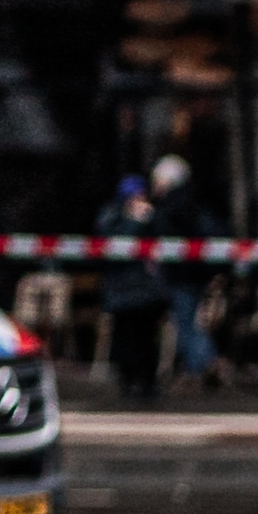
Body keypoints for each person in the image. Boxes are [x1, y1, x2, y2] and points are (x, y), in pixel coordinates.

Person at [146, 155, 221, 389]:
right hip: (196, 272)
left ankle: (203, 363)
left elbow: (163, 238)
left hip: (181, 274)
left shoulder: (170, 206)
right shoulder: (195, 201)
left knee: (186, 321)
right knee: (190, 320)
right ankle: (201, 364)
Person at [96, 175, 169, 401]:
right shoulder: (112, 215)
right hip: (123, 292)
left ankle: (148, 383)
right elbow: (113, 246)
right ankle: (128, 382)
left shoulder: (150, 214)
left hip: (146, 292)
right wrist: (134, 222)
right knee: (126, 339)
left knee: (147, 339)